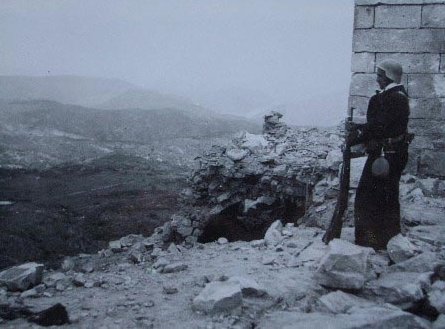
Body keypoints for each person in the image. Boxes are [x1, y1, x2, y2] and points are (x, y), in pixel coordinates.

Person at [348, 59, 411, 250]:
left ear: (388, 77)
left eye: (380, 75)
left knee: (369, 197)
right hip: (388, 152)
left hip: (388, 154)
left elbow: (379, 126)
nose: (377, 79)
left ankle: (373, 241)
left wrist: (357, 134)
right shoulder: (392, 96)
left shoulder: (395, 98)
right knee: (384, 196)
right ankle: (386, 240)